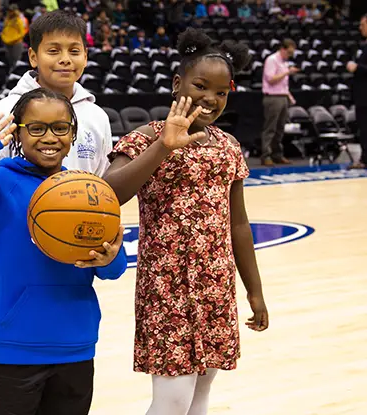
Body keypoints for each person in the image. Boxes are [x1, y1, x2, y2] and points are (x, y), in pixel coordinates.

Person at [0, 88, 127, 415]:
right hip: (15, 347)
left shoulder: (89, 192)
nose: (49, 137)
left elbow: (112, 267)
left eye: (60, 128)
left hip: (75, 343)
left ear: (73, 133)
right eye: (36, 128)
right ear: (18, 133)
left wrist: (109, 258)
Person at [103, 28, 269, 415]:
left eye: (222, 92)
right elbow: (110, 193)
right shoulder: (146, 137)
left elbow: (239, 225)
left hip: (215, 286)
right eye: (200, 86)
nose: (210, 99)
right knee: (172, 400)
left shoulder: (228, 147)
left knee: (201, 392)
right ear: (178, 83)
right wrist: (163, 147)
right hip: (167, 288)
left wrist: (254, 291)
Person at [0, 10, 113, 253]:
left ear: (86, 57)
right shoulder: (2, 113)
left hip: (76, 246)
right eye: (53, 51)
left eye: (74, 51)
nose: (65, 59)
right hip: (14, 248)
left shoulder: (97, 117)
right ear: (33, 57)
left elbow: (102, 182)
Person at [261, 38, 298, 166]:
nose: (289, 55)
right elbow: (271, 79)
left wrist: (290, 97)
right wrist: (287, 72)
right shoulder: (272, 60)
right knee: (270, 128)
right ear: (282, 49)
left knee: (280, 128)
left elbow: (283, 85)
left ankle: (277, 154)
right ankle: (266, 155)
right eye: (288, 52)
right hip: (273, 97)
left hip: (283, 97)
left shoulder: (284, 62)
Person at [346, 14, 367, 169]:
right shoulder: (364, 45)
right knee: (363, 129)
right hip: (361, 96)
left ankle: (365, 159)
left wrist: (357, 67)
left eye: (362, 25)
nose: (360, 28)